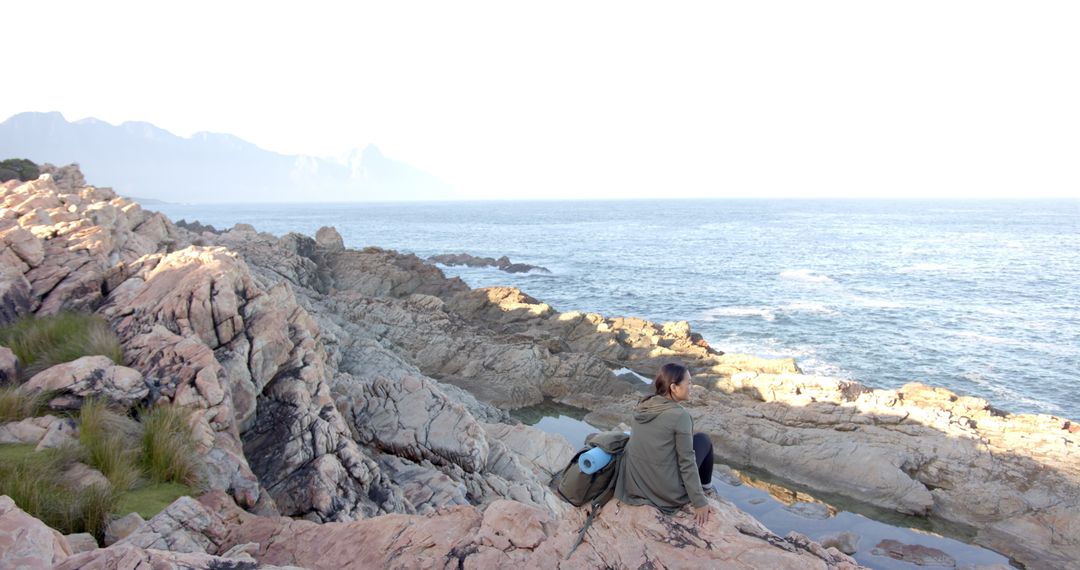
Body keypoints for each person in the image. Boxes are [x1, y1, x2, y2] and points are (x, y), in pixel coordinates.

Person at [614, 362, 715, 525]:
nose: (691, 386)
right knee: (703, 440)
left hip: (636, 484)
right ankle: (706, 488)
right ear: (674, 387)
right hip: (665, 492)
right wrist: (699, 502)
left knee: (689, 440)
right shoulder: (680, 416)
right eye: (688, 382)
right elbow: (686, 462)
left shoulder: (644, 405)